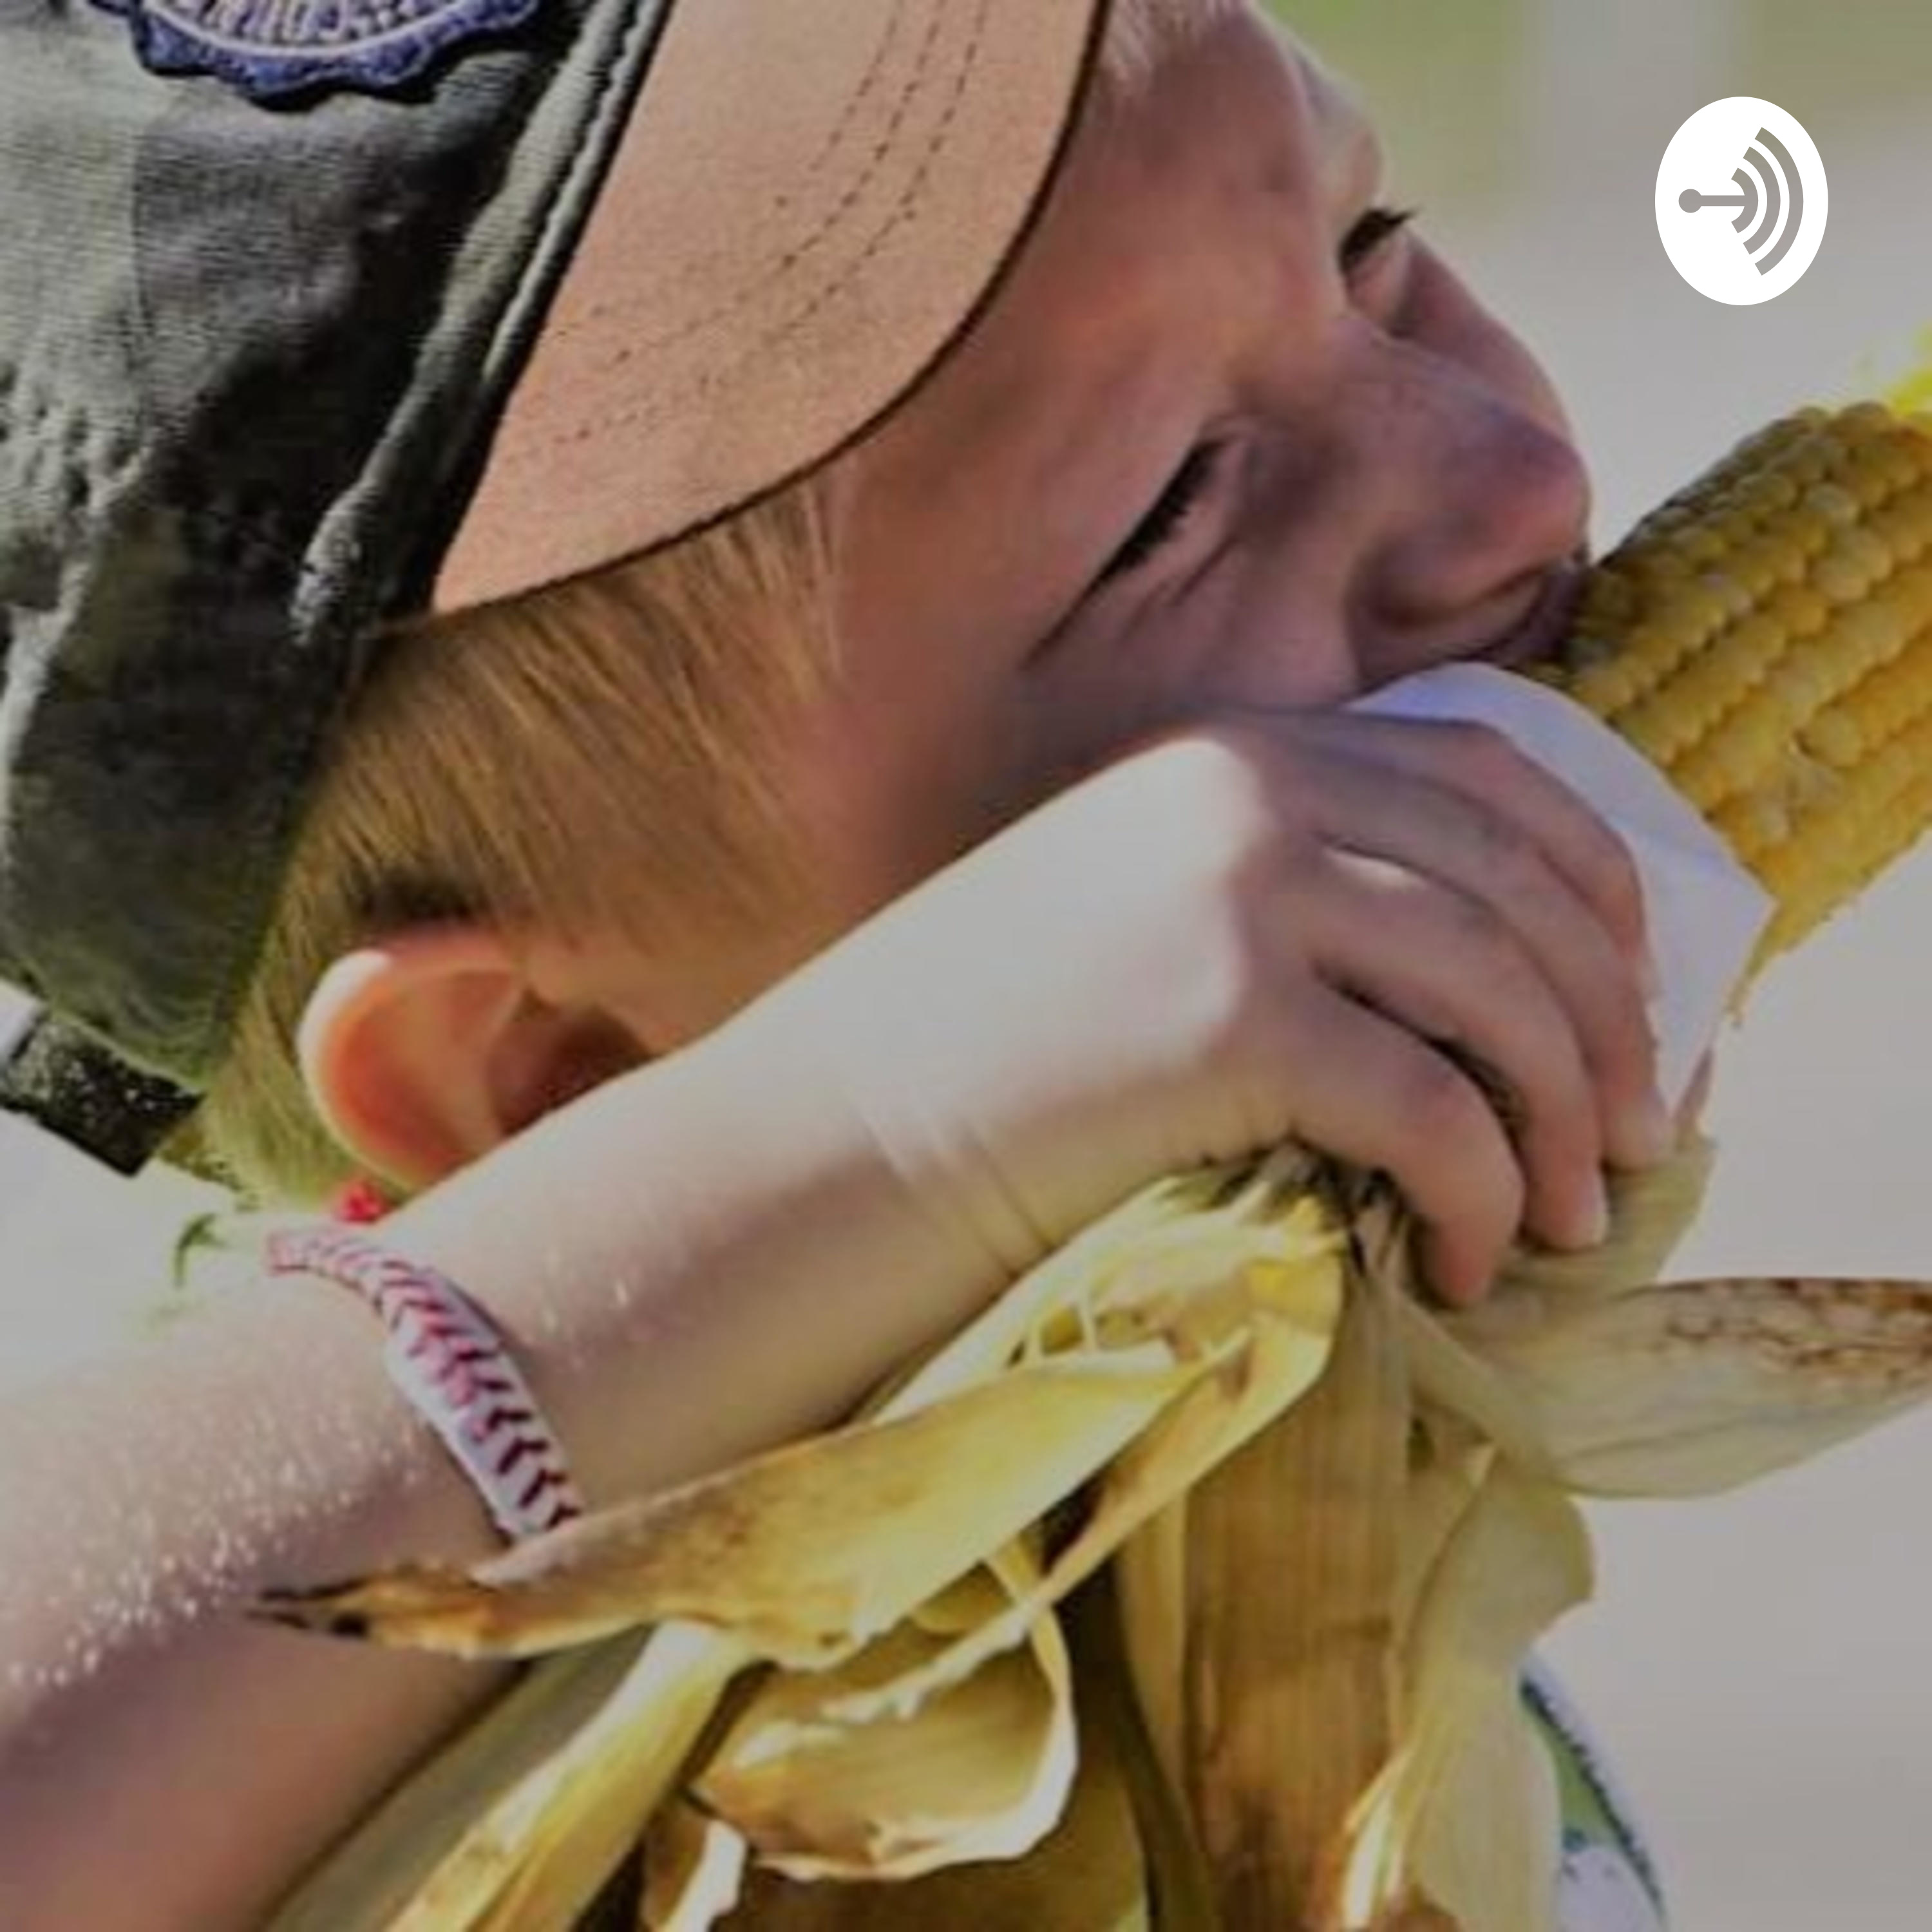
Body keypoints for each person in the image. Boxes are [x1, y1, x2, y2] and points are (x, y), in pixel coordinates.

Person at [0, 0, 1677, 1924]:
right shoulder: (476, 1771)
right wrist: (876, 1128)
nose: (1514, 480)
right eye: (1168, 507)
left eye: (1369, 249)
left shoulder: (1289, 1462)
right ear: (557, 1079)